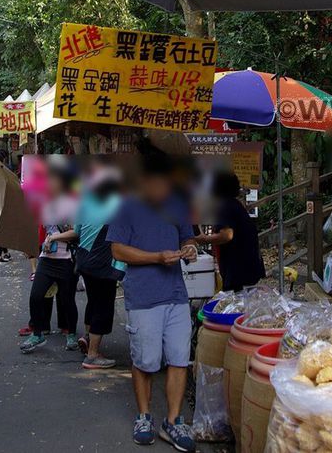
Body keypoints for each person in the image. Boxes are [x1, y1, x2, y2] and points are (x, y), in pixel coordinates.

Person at [108, 152, 197, 452]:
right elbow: (118, 251)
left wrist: (189, 249)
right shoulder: (127, 206)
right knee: (145, 361)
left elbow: (189, 238)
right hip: (143, 296)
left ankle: (172, 421)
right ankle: (144, 416)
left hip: (176, 294)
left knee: (178, 358)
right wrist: (156, 257)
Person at [49, 163, 123, 369]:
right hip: (102, 263)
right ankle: (92, 355)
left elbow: (77, 232)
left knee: (93, 301)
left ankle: (88, 339)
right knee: (103, 306)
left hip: (84, 261)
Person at [20, 166, 79, 353]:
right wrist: (35, 245)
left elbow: (76, 232)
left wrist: (54, 238)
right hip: (47, 259)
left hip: (66, 259)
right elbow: (43, 230)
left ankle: (71, 334)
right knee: (36, 295)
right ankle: (37, 333)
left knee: (67, 300)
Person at [194, 171, 265, 292]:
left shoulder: (225, 206)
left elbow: (227, 235)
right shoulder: (234, 205)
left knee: (237, 306)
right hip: (248, 268)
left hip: (238, 271)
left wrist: (204, 239)